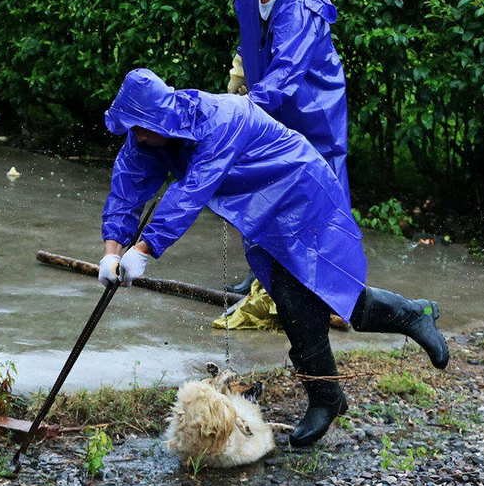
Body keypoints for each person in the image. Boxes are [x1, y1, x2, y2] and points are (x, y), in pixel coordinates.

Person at [97, 69, 449, 447]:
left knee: (319, 291)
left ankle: (339, 383)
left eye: (141, 128)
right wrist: (112, 252)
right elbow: (126, 191)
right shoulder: (147, 138)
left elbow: (191, 191)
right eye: (131, 128)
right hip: (259, 206)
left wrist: (145, 248)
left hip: (299, 188)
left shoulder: (219, 119)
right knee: (293, 298)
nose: (136, 136)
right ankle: (339, 382)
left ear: (161, 118)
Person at [224, 0, 349, 294]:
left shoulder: (304, 6)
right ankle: (263, 275)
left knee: (320, 193)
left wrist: (240, 112)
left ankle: (332, 284)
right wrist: (241, 75)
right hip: (267, 101)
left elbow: (287, 72)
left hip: (312, 109)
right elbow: (252, 38)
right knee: (262, 186)